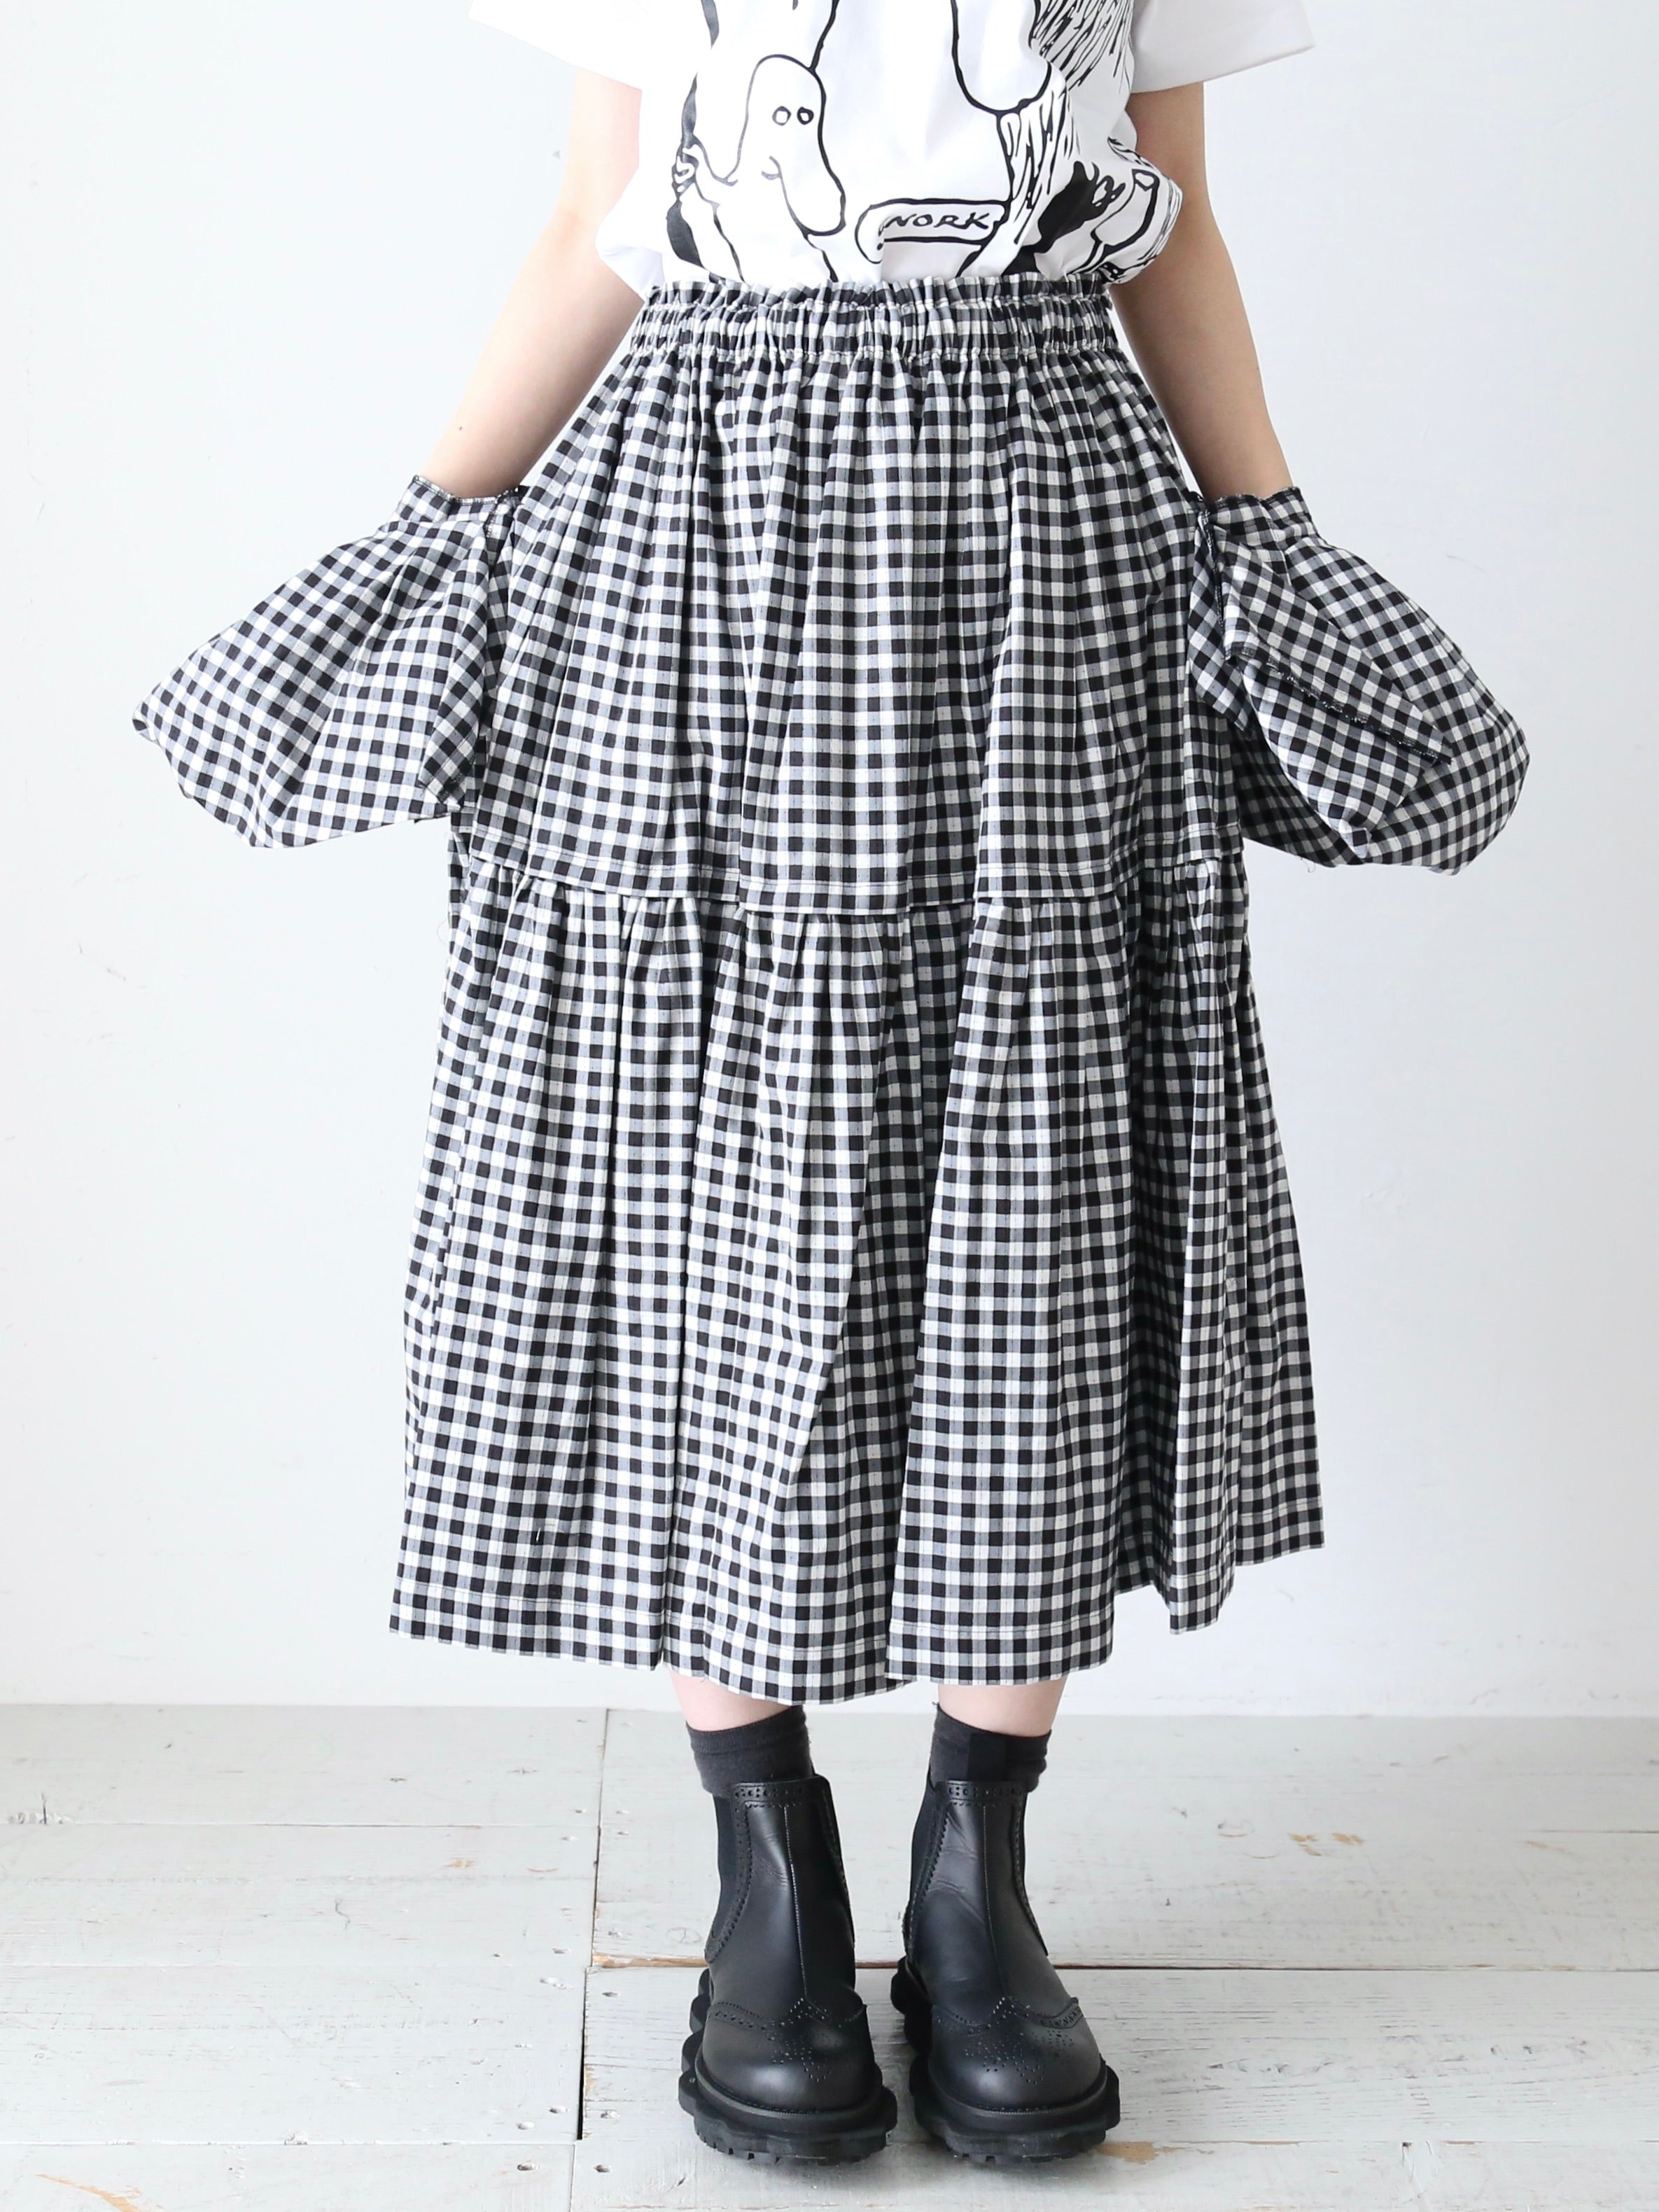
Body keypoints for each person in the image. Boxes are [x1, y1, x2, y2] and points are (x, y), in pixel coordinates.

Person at [136, 0, 1527, 2171]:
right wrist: (428, 526)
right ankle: (762, 1878)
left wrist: (1267, 538)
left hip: (1053, 515)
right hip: (684, 522)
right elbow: (603, 219)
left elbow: (1167, 221)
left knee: (1035, 1178)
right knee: (691, 1174)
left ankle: (980, 1881)